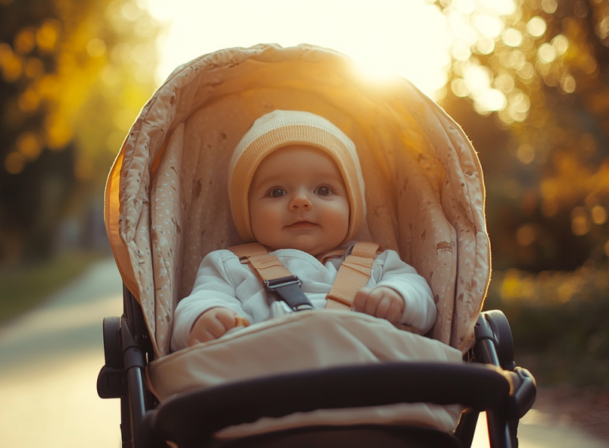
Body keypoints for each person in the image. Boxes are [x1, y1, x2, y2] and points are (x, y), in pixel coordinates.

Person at [170, 110, 436, 352]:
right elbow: (199, 302)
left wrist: (398, 297)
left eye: (323, 190)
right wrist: (207, 316)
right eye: (277, 192)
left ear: (352, 206)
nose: (301, 201)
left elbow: (422, 296)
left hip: (370, 378)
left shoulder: (378, 262)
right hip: (264, 382)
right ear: (246, 211)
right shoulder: (229, 266)